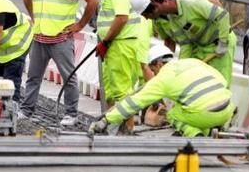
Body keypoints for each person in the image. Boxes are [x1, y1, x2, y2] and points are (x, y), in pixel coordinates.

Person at [21, 0, 99, 126]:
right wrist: (33, 16)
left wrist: (80, 25)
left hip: (61, 39)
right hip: (39, 38)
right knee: (33, 77)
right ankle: (26, 110)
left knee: (68, 77)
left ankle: (71, 113)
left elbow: (93, 1)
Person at [89, 52, 234, 138]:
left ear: (159, 64)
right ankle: (204, 133)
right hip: (227, 108)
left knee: (173, 114)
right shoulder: (192, 62)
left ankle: (197, 137)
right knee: (191, 105)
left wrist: (107, 119)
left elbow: (135, 102)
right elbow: (221, 79)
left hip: (205, 114)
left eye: (152, 70)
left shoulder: (164, 78)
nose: (152, 75)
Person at [129, 0, 236, 86]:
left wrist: (223, 43)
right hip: (200, 46)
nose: (147, 18)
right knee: (195, 83)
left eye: (154, 8)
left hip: (219, 43)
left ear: (164, 1)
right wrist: (179, 67)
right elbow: (185, 44)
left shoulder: (191, 3)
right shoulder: (171, 16)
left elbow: (222, 14)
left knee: (218, 83)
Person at [95, 0, 143, 132]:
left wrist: (105, 41)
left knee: (122, 92)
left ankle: (127, 132)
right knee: (116, 89)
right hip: (123, 43)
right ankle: (114, 128)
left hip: (118, 44)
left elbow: (121, 17)